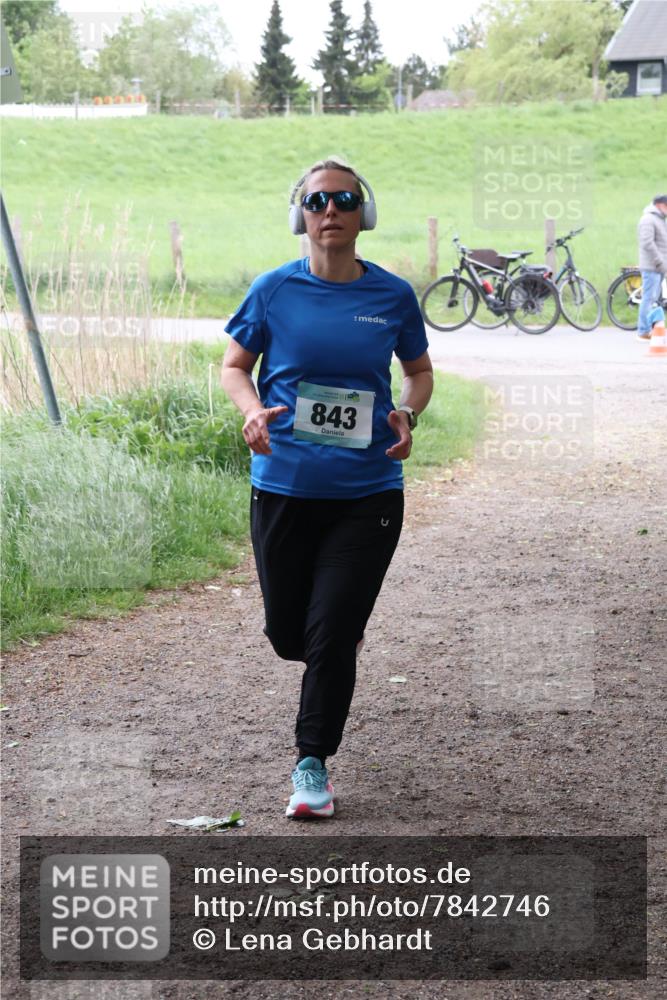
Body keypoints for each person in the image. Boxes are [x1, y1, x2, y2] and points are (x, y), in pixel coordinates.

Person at [220, 157, 433, 819]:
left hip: (368, 491)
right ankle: (326, 642)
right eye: (317, 202)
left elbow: (419, 372)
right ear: (301, 215)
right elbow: (233, 365)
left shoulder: (391, 296)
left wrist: (408, 412)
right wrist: (250, 412)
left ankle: (310, 765)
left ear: (361, 213)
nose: (330, 212)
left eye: (344, 200)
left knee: (331, 635)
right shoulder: (272, 291)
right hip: (283, 486)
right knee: (291, 636)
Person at [637, 194, 667, 342]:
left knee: (653, 299)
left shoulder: (660, 220)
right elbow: (647, 243)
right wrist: (660, 261)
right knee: (648, 299)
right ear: (661, 205)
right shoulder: (648, 219)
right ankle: (643, 331)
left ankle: (652, 328)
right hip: (652, 266)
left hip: (659, 267)